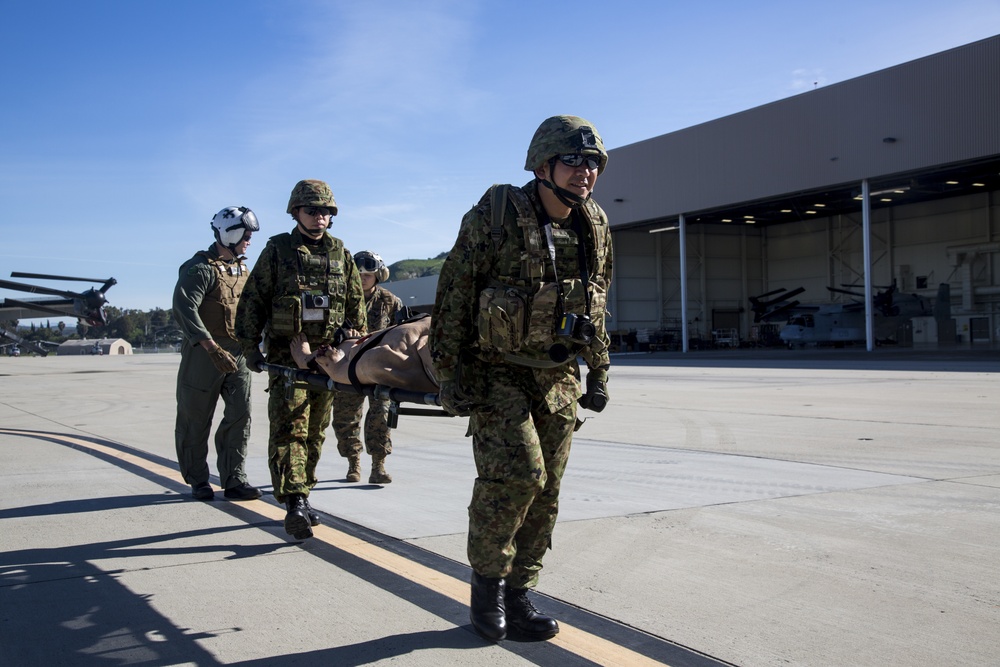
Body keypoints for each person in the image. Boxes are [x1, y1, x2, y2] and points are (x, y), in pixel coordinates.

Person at [430, 115, 613, 642]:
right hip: (496, 370)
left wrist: (599, 370)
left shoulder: (593, 224)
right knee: (518, 476)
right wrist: (450, 372)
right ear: (542, 164)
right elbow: (454, 297)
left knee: (548, 489)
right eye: (574, 160)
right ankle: (486, 591)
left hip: (557, 375)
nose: (586, 172)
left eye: (593, 162)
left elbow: (598, 304)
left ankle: (520, 596)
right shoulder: (497, 214)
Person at [235, 180, 366, 540]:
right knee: (290, 428)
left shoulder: (341, 254)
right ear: (296, 212)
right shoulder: (278, 249)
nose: (319, 217)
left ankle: (304, 495)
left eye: (325, 212)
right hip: (287, 359)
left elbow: (356, 308)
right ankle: (294, 501)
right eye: (312, 210)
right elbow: (253, 299)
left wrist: (352, 346)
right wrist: (250, 346)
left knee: (315, 432)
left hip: (327, 361)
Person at [173, 206, 262, 502]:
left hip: (238, 354)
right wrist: (211, 347)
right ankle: (198, 480)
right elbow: (184, 309)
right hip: (204, 354)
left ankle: (234, 479)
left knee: (241, 415)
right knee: (195, 417)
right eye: (246, 234)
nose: (249, 239)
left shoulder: (241, 269)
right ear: (231, 233)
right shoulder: (199, 269)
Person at [331, 251, 406, 485]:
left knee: (381, 417)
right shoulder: (340, 301)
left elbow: (402, 332)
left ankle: (378, 466)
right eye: (359, 274)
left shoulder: (390, 301)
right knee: (346, 418)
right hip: (347, 368)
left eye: (368, 274)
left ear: (378, 275)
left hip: (379, 370)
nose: (363, 278)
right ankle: (353, 463)